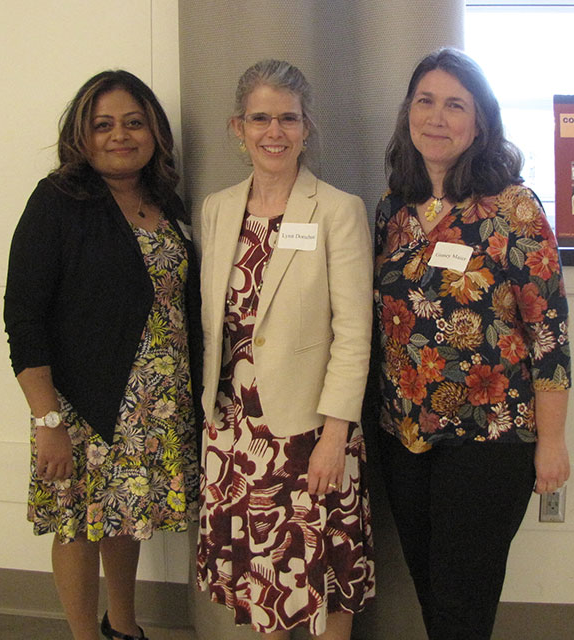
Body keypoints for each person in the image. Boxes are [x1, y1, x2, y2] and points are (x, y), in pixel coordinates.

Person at [367, 48, 571, 640]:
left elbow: (549, 335)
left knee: (464, 602)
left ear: (480, 121)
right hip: (403, 435)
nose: (437, 117)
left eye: (455, 105)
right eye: (425, 101)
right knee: (432, 591)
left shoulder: (514, 209)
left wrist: (552, 441)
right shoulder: (392, 211)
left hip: (490, 439)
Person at [4, 70, 202, 640]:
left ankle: (124, 627)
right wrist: (48, 421)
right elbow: (23, 315)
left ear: (154, 132)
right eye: (104, 124)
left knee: (125, 518)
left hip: (156, 404)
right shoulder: (58, 200)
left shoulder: (166, 200)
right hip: (83, 405)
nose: (120, 135)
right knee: (77, 525)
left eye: (134, 122)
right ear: (81, 136)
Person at [197, 59, 375, 639]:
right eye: (260, 118)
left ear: (307, 127)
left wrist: (334, 434)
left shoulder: (337, 211)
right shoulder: (217, 209)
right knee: (262, 583)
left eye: (288, 119)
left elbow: (353, 334)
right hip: (235, 434)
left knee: (323, 580)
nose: (275, 132)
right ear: (238, 127)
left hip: (311, 431)